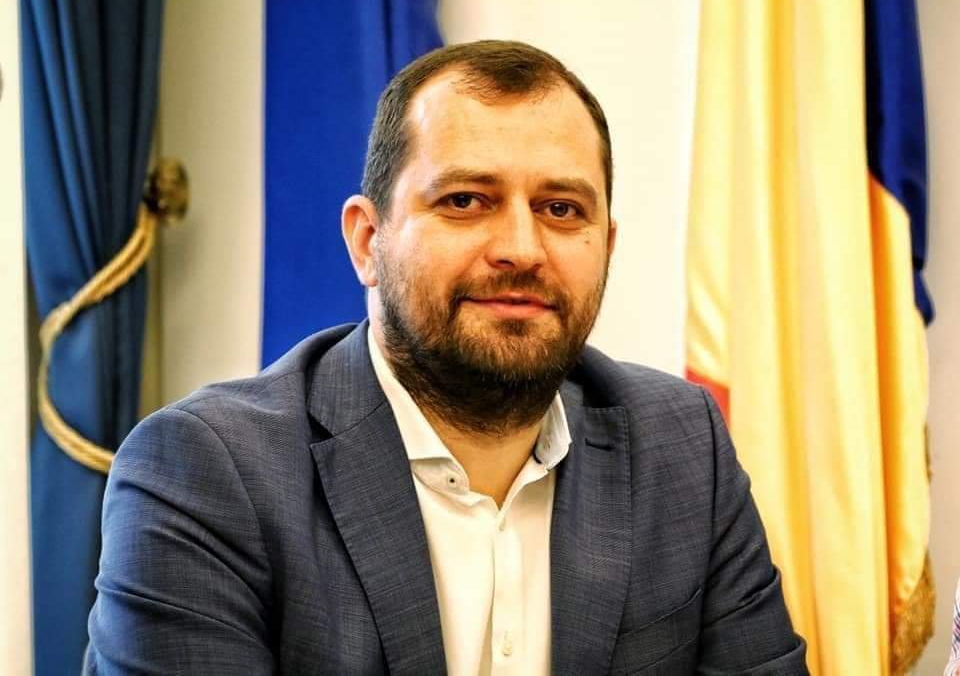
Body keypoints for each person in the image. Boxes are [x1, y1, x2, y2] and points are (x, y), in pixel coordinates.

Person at [84, 40, 807, 675]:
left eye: (561, 209)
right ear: (368, 242)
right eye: (465, 201)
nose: (521, 249)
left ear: (606, 246)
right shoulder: (206, 473)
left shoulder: (682, 448)